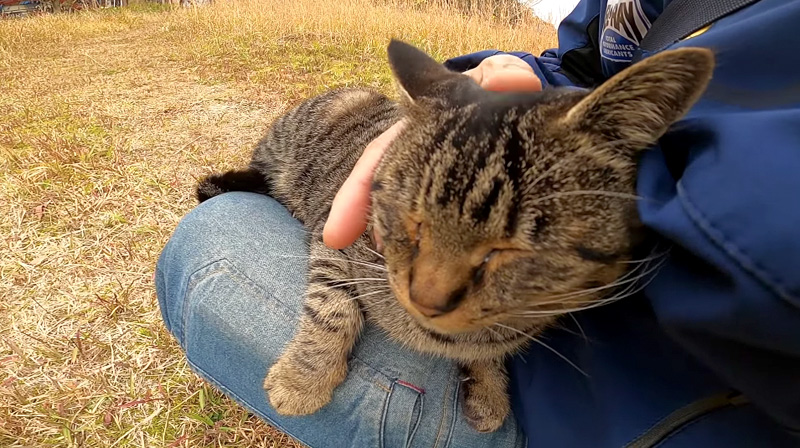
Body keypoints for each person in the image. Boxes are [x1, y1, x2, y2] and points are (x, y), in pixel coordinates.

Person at [156, 0, 800, 446]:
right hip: (401, 177)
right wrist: (514, 83)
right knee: (287, 170)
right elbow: (580, 67)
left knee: (212, 246)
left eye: (501, 252)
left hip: (631, 404)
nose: (428, 295)